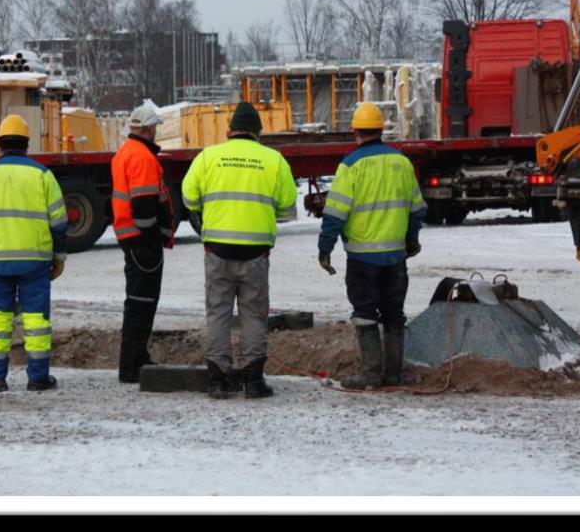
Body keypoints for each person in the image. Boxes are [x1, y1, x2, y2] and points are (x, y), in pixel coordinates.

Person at [182, 101, 297, 399]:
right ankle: (254, 381)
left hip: (217, 251)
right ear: (259, 132)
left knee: (218, 313)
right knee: (254, 315)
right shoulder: (274, 160)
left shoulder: (208, 157)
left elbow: (189, 197)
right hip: (256, 254)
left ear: (229, 130)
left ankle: (218, 381)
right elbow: (286, 209)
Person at [317, 102, 427, 389]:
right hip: (395, 257)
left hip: (363, 257)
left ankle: (369, 375)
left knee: (365, 313)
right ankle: (392, 374)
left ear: (355, 131)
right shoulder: (401, 162)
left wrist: (325, 248)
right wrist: (411, 239)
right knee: (394, 313)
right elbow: (417, 208)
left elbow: (335, 213)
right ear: (381, 129)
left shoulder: (350, 165)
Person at [0, 114, 68, 393]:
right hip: (35, 261)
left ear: (0, 144)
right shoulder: (42, 175)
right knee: (36, 320)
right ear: (27, 144)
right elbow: (59, 223)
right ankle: (38, 378)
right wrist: (58, 259)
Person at [110, 100, 175, 383]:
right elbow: (145, 205)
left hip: (131, 238)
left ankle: (135, 360)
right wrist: (154, 238)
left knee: (137, 302)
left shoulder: (125, 153)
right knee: (142, 303)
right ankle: (133, 365)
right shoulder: (143, 158)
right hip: (141, 242)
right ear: (149, 129)